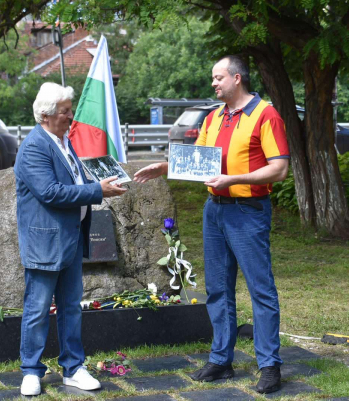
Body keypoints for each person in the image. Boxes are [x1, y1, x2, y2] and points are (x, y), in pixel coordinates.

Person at [134, 55, 290, 394]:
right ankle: (221, 359)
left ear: (237, 78)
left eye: (218, 78)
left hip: (248, 211)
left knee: (260, 289)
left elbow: (279, 169)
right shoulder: (214, 116)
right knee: (218, 289)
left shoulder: (266, 114)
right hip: (214, 210)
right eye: (213, 78)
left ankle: (269, 366)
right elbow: (197, 161)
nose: (213, 83)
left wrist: (233, 178)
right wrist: (164, 166)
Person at [14, 82, 127, 396]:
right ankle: (31, 372)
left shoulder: (63, 140)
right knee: (37, 309)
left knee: (71, 307)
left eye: (70, 110)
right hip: (45, 243)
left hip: (70, 240)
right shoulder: (35, 146)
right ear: (47, 115)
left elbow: (72, 180)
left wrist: (101, 180)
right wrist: (98, 190)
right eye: (65, 112)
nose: (71, 117)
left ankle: (73, 368)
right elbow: (50, 192)